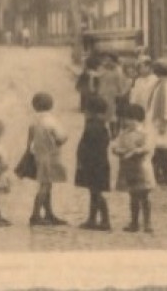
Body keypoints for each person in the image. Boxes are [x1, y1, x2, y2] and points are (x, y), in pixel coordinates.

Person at [25, 92, 69, 227]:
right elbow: (62, 137)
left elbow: (29, 141)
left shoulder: (34, 121)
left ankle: (48, 213)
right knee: (45, 186)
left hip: (39, 156)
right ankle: (35, 215)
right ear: (51, 105)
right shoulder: (51, 121)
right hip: (51, 156)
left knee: (46, 184)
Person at [74, 94, 113, 231]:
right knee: (94, 192)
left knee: (96, 193)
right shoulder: (99, 125)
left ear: (91, 111)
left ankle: (105, 220)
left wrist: (82, 161)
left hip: (94, 165)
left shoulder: (94, 126)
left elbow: (89, 146)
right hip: (97, 163)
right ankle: (92, 219)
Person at [112, 103, 153, 232]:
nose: (127, 122)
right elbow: (116, 145)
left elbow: (148, 147)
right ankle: (134, 222)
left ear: (138, 119)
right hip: (129, 169)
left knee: (144, 196)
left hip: (141, 168)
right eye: (126, 119)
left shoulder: (144, 133)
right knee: (133, 196)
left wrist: (135, 151)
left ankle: (147, 223)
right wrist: (117, 150)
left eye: (130, 119)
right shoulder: (124, 133)